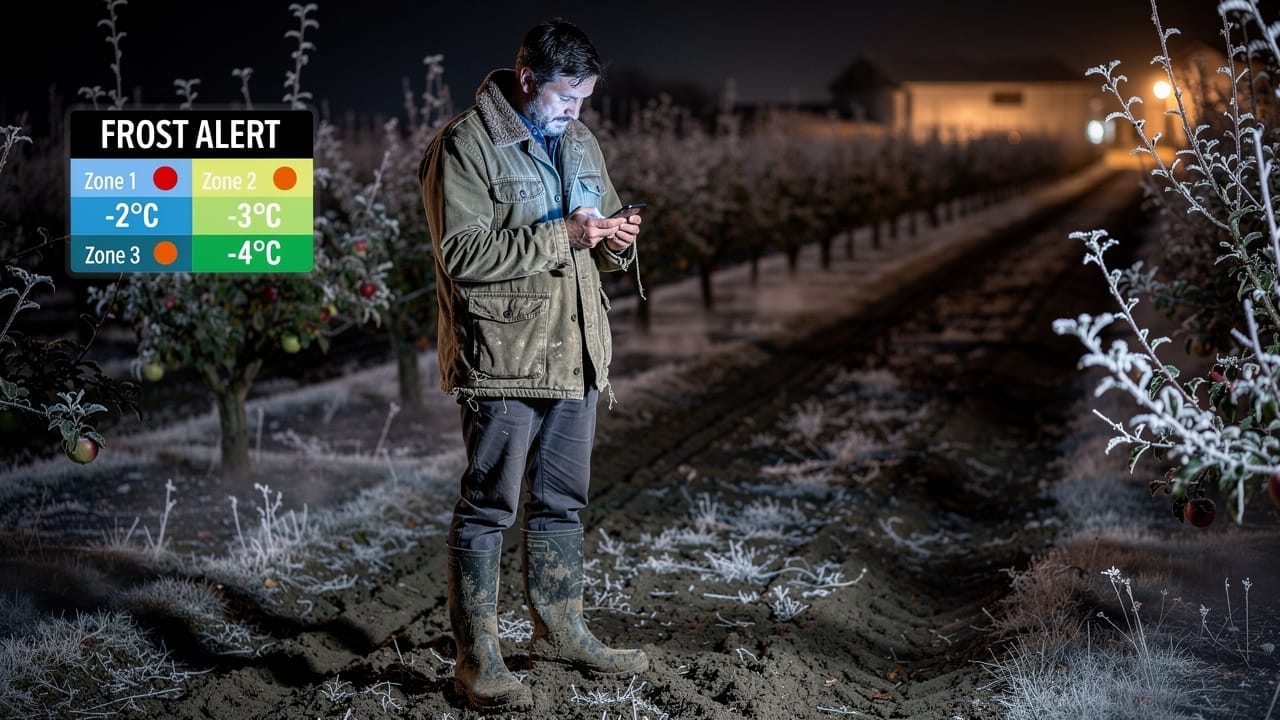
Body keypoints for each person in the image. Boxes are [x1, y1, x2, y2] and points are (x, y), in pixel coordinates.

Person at [417, 18, 647, 712]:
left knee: (562, 506)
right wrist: (565, 235)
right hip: (506, 358)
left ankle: (560, 629)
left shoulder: (578, 141)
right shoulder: (467, 146)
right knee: (489, 508)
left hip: (575, 355)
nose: (579, 113)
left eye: (585, 100)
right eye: (567, 98)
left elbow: (596, 237)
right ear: (527, 81)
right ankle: (476, 658)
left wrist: (616, 239)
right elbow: (461, 256)